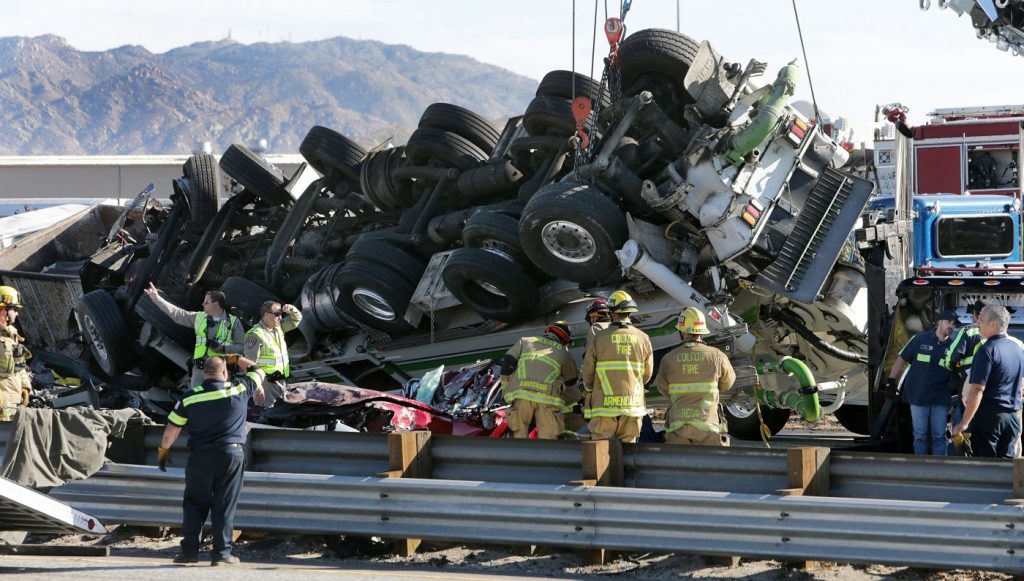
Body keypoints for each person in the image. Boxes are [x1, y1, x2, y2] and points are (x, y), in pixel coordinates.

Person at [158, 355, 266, 566]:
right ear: (224, 373)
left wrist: (163, 453)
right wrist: (235, 358)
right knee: (224, 505)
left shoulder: (190, 397)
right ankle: (222, 555)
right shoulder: (239, 389)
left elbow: (172, 430)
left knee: (194, 504)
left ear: (203, 375)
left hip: (200, 457)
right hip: (230, 456)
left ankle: (189, 553)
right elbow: (259, 371)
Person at [655, 307, 736, 446]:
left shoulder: (668, 359)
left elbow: (662, 388)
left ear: (681, 331)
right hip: (708, 426)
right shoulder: (716, 356)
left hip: (677, 427)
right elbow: (728, 383)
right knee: (710, 465)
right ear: (702, 331)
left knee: (678, 465)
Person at [952, 304, 1024, 458]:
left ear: (994, 324)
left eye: (981, 320)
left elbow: (977, 389)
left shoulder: (987, 350)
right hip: (1012, 419)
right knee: (1008, 468)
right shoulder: (1017, 349)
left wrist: (964, 422)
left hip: (990, 418)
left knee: (986, 466)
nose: (977, 323)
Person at [581, 290, 653, 443]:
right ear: (630, 313)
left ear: (612, 313)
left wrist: (589, 389)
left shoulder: (599, 337)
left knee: (600, 449)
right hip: (632, 406)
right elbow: (647, 375)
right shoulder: (644, 338)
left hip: (604, 406)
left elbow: (588, 372)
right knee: (629, 449)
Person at [144, 283, 243, 388]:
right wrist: (157, 299)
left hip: (222, 371)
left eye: (206, 302)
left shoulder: (234, 323)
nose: (203, 304)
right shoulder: (200, 318)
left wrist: (223, 349)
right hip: (200, 372)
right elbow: (177, 314)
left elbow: (242, 348)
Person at [887, 309, 956, 455]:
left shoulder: (953, 346)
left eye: (954, 324)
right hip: (918, 397)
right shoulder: (919, 340)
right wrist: (891, 380)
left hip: (940, 398)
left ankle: (940, 470)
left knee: (939, 435)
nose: (951, 326)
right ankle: (921, 469)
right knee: (920, 436)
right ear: (939, 322)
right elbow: (901, 359)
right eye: (948, 322)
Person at [498, 321, 579, 439]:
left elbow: (507, 366)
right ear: (565, 340)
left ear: (548, 331)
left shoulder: (525, 341)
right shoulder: (563, 352)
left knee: (518, 438)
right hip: (547, 403)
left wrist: (505, 392)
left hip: (521, 398)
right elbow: (571, 381)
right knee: (548, 440)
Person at [939, 300, 986, 446]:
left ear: (974, 314)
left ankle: (961, 463)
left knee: (962, 430)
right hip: (992, 394)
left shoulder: (969, 331)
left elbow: (951, 357)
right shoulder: (1000, 334)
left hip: (968, 389)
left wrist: (952, 367)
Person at [244, 301, 302, 408]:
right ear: (266, 314)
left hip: (281, 380)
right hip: (266, 384)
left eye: (281, 314)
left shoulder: (278, 328)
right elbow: (249, 364)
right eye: (277, 314)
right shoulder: (255, 335)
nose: (280, 317)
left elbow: (296, 320)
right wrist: (257, 387)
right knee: (268, 413)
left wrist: (292, 309)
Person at [0, 286, 31, 419]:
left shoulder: (11, 335)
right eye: (14, 309)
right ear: (3, 309)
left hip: (11, 405)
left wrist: (25, 387)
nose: (17, 313)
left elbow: (20, 366)